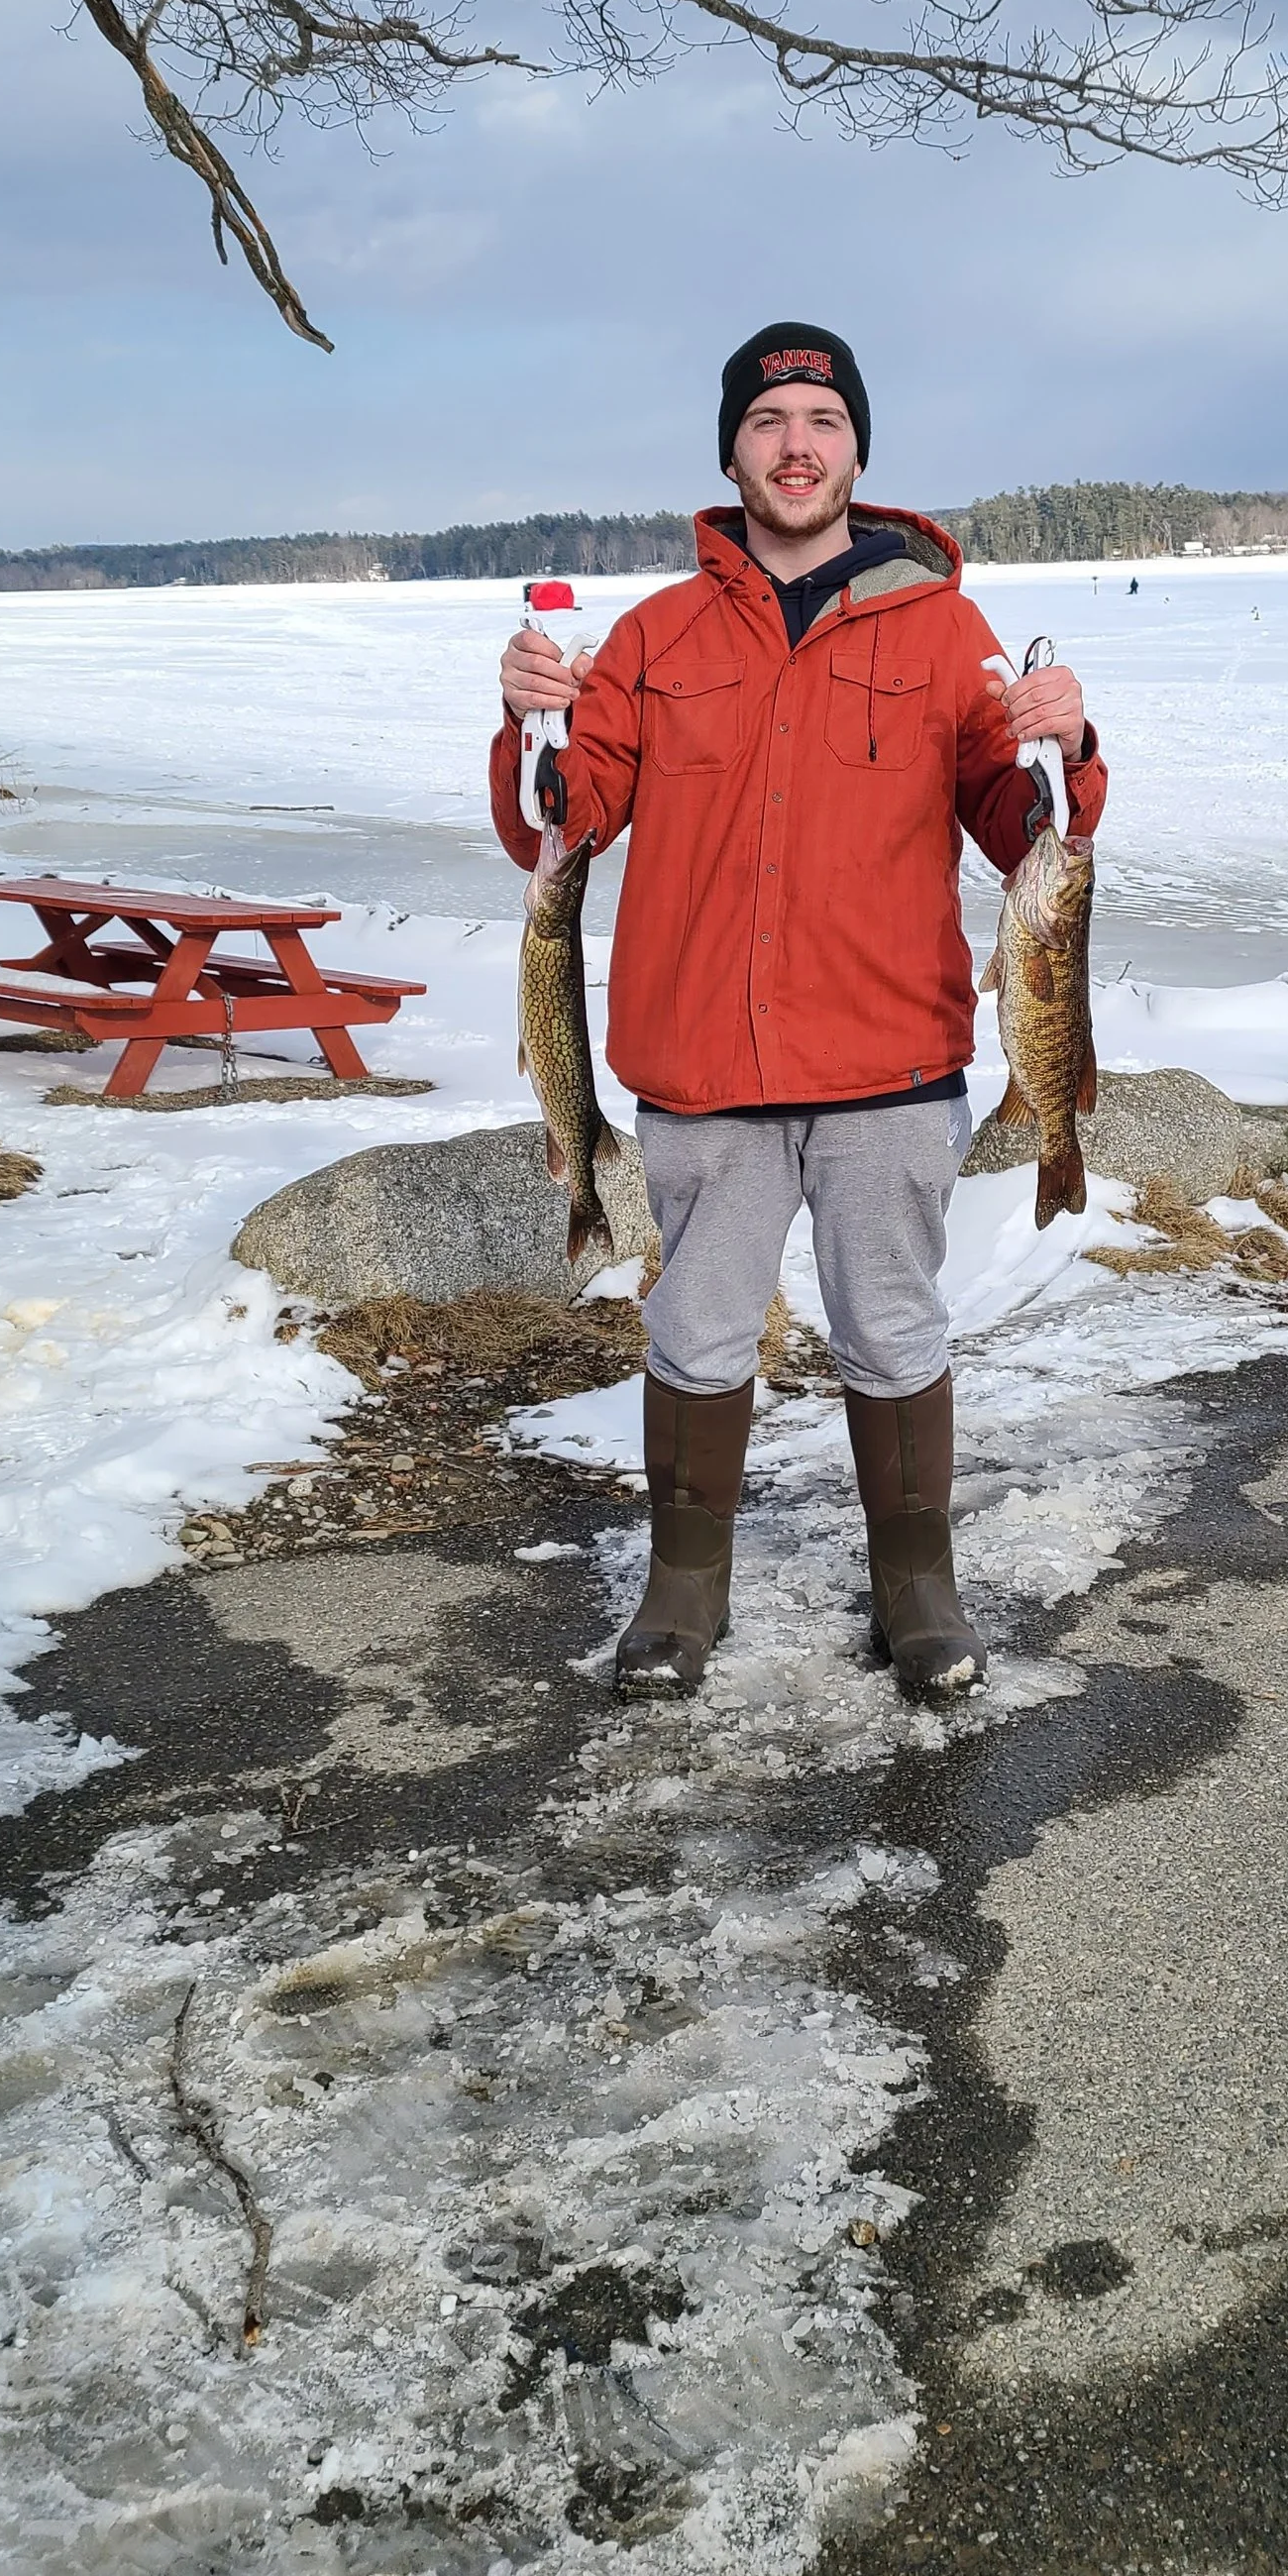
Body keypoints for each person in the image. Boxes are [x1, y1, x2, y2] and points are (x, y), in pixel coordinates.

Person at [491, 322, 1101, 1701]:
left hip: (886, 1052)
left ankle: (917, 1586)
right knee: (697, 1331)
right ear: (733, 453)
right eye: (770, 424)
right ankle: (682, 1591)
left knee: (893, 1325)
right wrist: (528, 721)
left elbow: (1022, 830)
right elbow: (567, 814)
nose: (797, 444)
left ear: (858, 452)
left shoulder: (948, 631)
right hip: (703, 1058)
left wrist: (1066, 744)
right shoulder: (654, 635)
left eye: (822, 420)